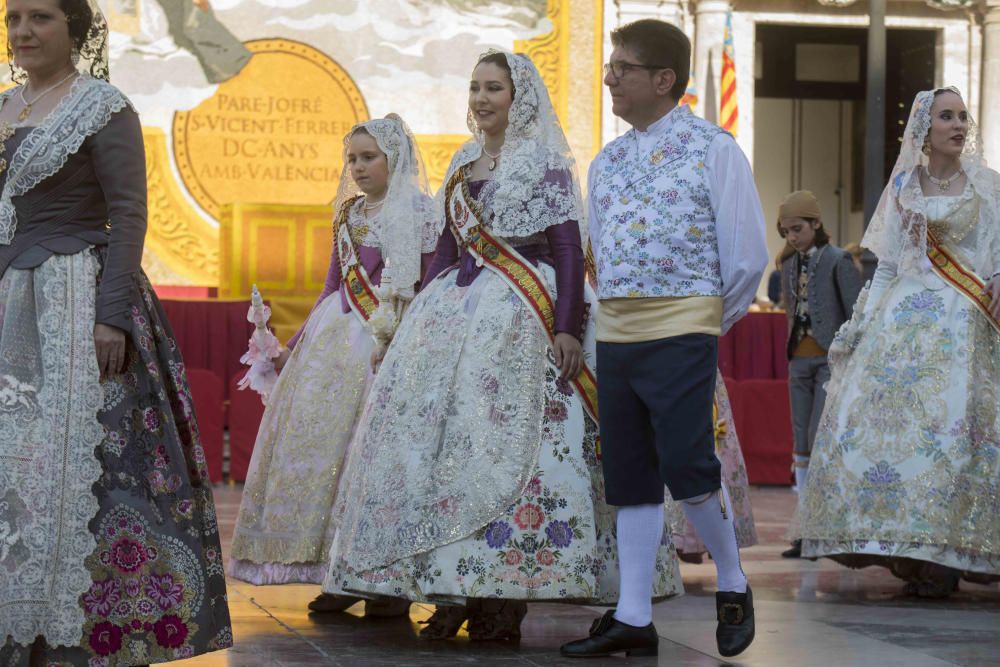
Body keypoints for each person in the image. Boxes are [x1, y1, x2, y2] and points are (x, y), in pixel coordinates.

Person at [322, 49, 682, 642]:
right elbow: (445, 249)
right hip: (452, 313)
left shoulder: (544, 164)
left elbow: (567, 250)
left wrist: (566, 326)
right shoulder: (463, 162)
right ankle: (447, 583)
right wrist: (407, 325)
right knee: (435, 449)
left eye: (494, 88)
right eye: (475, 87)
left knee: (506, 445)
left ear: (520, 99)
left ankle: (502, 595)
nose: (482, 98)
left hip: (526, 316)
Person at [0, 1, 231, 664]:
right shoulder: (5, 106)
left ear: (75, 28)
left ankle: (78, 630)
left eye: (40, 17)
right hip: (10, 295)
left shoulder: (103, 105)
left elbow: (129, 214)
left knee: (90, 467)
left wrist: (111, 315)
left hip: (75, 293)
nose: (22, 31)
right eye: (14, 17)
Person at [560, 19, 767, 659]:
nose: (609, 76)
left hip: (683, 329)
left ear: (663, 79)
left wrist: (702, 322)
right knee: (629, 475)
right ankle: (632, 615)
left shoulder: (714, 149)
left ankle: (733, 583)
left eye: (622, 66)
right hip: (616, 334)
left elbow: (745, 258)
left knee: (687, 462)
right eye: (610, 65)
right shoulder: (608, 160)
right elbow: (598, 256)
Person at [793, 87, 1000, 596]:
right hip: (899, 321)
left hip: (963, 320)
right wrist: (861, 326)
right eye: (946, 117)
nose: (957, 125)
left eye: (962, 116)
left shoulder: (988, 185)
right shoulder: (904, 184)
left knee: (951, 430)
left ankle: (946, 555)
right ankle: (904, 550)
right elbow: (886, 264)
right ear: (924, 129)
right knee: (879, 429)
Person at [228, 115, 438, 616]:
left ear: (396, 159)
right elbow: (331, 288)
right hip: (331, 347)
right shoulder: (347, 215)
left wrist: (405, 344)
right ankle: (337, 575)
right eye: (353, 159)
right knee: (325, 459)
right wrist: (291, 348)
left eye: (370, 157)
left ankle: (383, 585)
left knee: (374, 461)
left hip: (386, 345)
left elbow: (427, 285)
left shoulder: (421, 214)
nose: (359, 167)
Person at [775, 190, 861, 559]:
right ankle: (804, 527)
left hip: (830, 359)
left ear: (816, 223)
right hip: (798, 358)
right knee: (800, 439)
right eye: (786, 232)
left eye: (797, 229)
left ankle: (822, 525)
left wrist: (851, 358)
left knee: (820, 434)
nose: (792, 237)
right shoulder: (789, 264)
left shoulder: (839, 259)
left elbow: (857, 311)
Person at [669, 371, 757, 563]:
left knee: (704, 451)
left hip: (691, 362)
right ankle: (683, 539)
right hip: (657, 360)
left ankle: (720, 556)